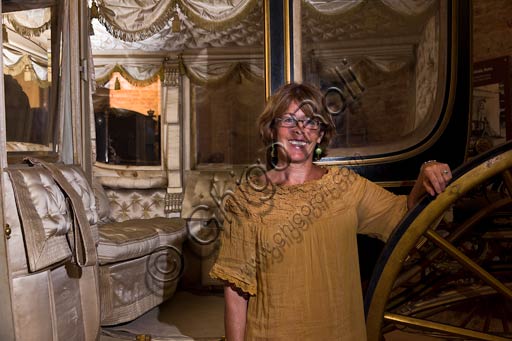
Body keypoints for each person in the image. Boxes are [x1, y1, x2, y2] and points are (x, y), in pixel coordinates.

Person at [209, 82, 451, 340]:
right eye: (289, 119)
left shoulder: (346, 187)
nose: (300, 130)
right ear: (272, 128)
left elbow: (404, 219)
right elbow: (236, 289)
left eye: (311, 122)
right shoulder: (247, 199)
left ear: (321, 134)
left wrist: (427, 171)